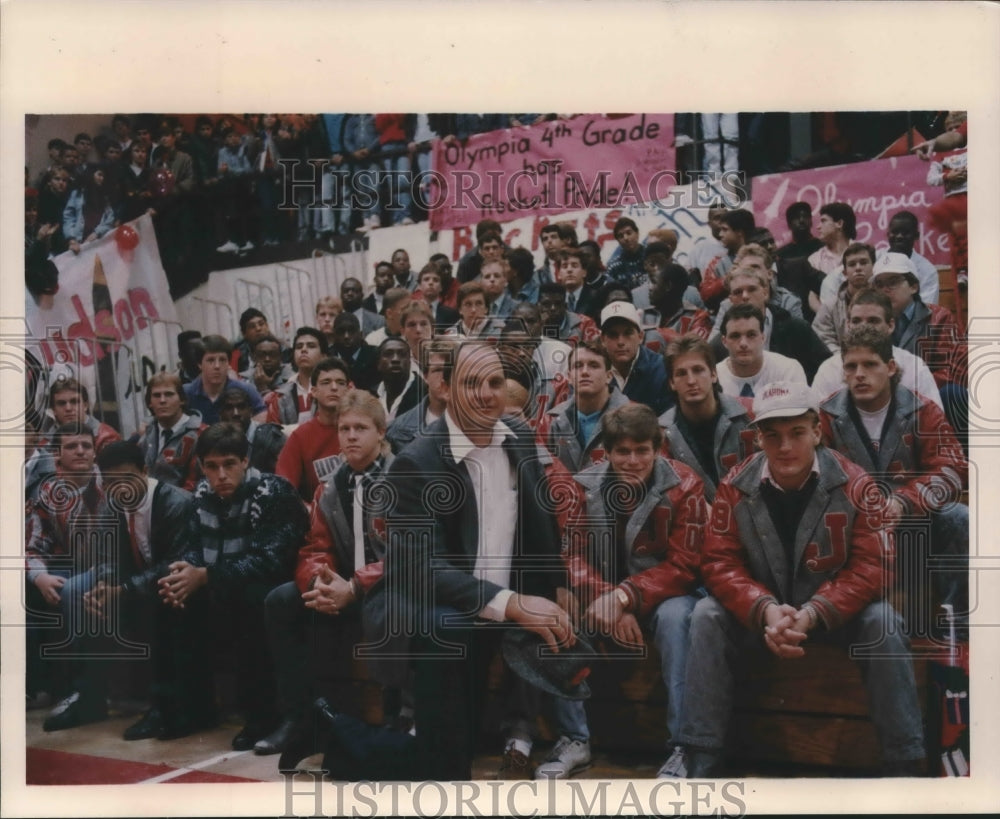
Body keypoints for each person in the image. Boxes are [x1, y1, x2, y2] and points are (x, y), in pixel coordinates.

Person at [662, 381, 926, 778]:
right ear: (758, 439)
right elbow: (718, 562)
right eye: (773, 435)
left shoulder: (856, 484)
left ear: (817, 431)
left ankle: (906, 762)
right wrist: (764, 608)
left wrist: (816, 611)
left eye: (797, 433)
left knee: (884, 622)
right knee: (706, 615)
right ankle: (702, 756)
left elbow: (875, 567)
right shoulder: (735, 486)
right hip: (765, 616)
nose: (785, 446)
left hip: (834, 616)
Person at [382, 342, 574, 781]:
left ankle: (515, 741)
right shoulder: (415, 462)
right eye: (472, 383)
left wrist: (556, 585)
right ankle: (422, 758)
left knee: (557, 624)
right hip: (443, 606)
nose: (487, 394)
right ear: (445, 388)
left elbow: (539, 520)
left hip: (506, 600)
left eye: (494, 382)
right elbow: (419, 569)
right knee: (444, 636)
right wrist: (509, 602)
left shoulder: (520, 438)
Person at [541, 404, 707, 779]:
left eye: (642, 450)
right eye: (622, 451)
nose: (632, 460)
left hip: (667, 595)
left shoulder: (686, 484)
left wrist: (624, 596)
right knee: (560, 608)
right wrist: (607, 597)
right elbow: (572, 556)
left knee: (679, 617)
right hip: (603, 597)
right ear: (607, 452)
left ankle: (683, 744)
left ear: (658, 448)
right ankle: (573, 738)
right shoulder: (582, 486)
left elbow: (686, 564)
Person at [155, 423, 309, 750]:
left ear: (245, 462)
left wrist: (206, 575)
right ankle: (190, 710)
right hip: (226, 578)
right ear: (201, 468)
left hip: (276, 585)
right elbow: (193, 546)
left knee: (251, 601)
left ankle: (262, 718)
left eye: (229, 464)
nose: (221, 474)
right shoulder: (202, 494)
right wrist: (186, 572)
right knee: (173, 594)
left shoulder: (273, 491)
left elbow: (272, 561)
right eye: (212, 467)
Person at [260, 391, 397, 756]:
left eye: (361, 428)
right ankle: (300, 719)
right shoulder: (329, 486)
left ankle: (396, 719)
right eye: (344, 428)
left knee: (388, 607)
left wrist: (356, 585)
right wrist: (320, 580)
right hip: (342, 587)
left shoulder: (403, 477)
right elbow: (314, 546)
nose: (351, 436)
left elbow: (408, 553)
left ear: (381, 433)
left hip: (388, 585)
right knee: (282, 600)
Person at [818, 326, 968, 637]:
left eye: (870, 364)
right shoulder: (826, 416)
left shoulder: (922, 410)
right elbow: (817, 479)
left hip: (914, 526)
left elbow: (953, 469)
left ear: (890, 368)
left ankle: (961, 627)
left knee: (959, 517)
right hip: (852, 531)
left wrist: (904, 501)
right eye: (851, 366)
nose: (859, 374)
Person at [77, 442, 197, 740]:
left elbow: (176, 561)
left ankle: (164, 708)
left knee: (164, 605)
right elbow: (106, 559)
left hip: (181, 588)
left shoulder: (177, 502)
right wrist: (104, 586)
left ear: (144, 472)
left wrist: (125, 589)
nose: (121, 490)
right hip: (137, 589)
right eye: (111, 483)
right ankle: (89, 700)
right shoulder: (109, 507)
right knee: (89, 603)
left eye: (127, 479)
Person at [25, 426, 109, 728]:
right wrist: (40, 577)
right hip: (67, 565)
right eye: (72, 446)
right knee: (26, 587)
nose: (81, 451)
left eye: (86, 445)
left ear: (95, 450)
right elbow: (33, 545)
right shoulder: (48, 491)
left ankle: (80, 690)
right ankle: (36, 686)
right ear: (58, 454)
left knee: (73, 589)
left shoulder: (110, 484)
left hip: (109, 568)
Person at [658, 335, 755, 503]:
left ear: (713, 375)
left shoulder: (750, 414)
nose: (691, 381)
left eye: (698, 370)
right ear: (672, 383)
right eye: (681, 373)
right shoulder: (660, 434)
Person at [811, 288, 942, 408]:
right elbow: (815, 426)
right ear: (848, 325)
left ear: (890, 325)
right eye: (856, 321)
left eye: (873, 321)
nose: (864, 327)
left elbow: (934, 425)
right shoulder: (828, 370)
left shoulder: (914, 367)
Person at [710, 264, 830, 383]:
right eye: (738, 292)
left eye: (752, 289)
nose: (745, 296)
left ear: (765, 292)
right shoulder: (720, 344)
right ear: (730, 299)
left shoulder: (797, 329)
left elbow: (825, 369)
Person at [538, 341, 630, 473]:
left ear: (609, 376)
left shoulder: (634, 416)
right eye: (578, 366)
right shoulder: (550, 422)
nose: (585, 372)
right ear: (569, 377)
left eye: (594, 365)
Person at [275, 357, 351, 503]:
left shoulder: (359, 430)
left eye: (340, 383)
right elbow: (284, 488)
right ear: (314, 391)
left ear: (348, 390)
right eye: (326, 382)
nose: (334, 387)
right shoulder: (301, 436)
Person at [715, 304, 807, 399]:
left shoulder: (788, 370)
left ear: (763, 338)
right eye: (735, 336)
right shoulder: (714, 377)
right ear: (724, 341)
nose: (743, 343)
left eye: (751, 335)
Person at [137, 371, 206, 490]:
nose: (162, 400)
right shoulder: (147, 433)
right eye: (157, 395)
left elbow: (195, 482)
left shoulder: (200, 433)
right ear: (150, 403)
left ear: (182, 400)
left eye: (169, 394)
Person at [386, 338, 456, 455]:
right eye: (438, 370)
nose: (445, 377)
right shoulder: (396, 431)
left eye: (451, 370)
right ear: (425, 376)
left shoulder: (483, 424)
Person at [599, 301, 671, 415]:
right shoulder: (592, 369)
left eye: (628, 333)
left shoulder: (662, 369)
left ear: (640, 336)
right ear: (602, 340)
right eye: (613, 335)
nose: (621, 342)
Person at [184, 335, 267, 425]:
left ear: (228, 363)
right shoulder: (186, 392)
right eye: (210, 360)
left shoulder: (246, 389)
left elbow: (261, 416)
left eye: (222, 360)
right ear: (200, 364)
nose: (217, 366)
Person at [812, 242, 877, 353]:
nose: (858, 268)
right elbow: (822, 338)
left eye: (863, 262)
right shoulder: (830, 306)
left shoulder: (886, 301)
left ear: (873, 267)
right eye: (852, 264)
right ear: (845, 272)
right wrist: (845, 358)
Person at [265, 327, 328, 426]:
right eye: (299, 347)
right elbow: (273, 435)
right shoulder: (279, 396)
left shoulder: (338, 387)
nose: (303, 350)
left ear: (324, 356)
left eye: (311, 346)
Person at [218, 387, 287, 473]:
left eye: (241, 407)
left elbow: (284, 478)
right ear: (220, 414)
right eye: (229, 408)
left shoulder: (271, 439)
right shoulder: (213, 440)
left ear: (250, 411)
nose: (236, 413)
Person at [699, 209, 755, 312]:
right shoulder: (717, 262)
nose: (720, 234)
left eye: (725, 230)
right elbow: (705, 294)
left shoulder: (761, 258)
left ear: (739, 232)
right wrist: (726, 280)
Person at [371, 337, 421, 423]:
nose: (395, 359)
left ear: (410, 362)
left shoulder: (424, 393)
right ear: (378, 363)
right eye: (388, 354)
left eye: (402, 354)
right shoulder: (370, 395)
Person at [330, 312, 379, 393]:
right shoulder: (327, 357)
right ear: (334, 336)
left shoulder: (375, 355)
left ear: (361, 334)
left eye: (351, 331)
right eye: (341, 331)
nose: (346, 336)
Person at [414, 263, 460, 329]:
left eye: (435, 280)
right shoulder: (411, 311)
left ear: (441, 287)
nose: (430, 283)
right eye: (426, 279)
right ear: (419, 285)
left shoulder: (451, 314)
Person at [604, 217, 646, 289]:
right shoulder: (613, 267)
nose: (626, 238)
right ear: (618, 241)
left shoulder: (651, 257)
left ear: (637, 234)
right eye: (621, 236)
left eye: (629, 233)